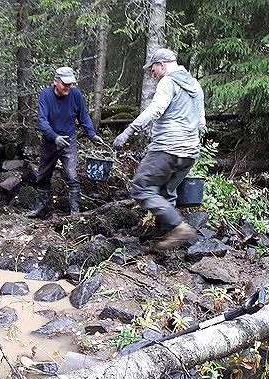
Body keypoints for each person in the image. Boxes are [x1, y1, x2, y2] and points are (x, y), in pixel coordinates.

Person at [113, 48, 206, 250]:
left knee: (141, 188)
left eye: (153, 69)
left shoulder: (168, 81)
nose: (152, 73)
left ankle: (178, 227)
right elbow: (201, 122)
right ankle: (165, 241)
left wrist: (128, 131)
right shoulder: (195, 85)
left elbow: (156, 109)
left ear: (162, 64)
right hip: (189, 153)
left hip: (167, 148)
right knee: (166, 192)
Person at [26, 66, 103, 218]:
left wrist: (92, 135)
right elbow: (42, 121)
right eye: (65, 84)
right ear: (56, 81)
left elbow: (84, 117)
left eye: (71, 84)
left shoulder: (76, 95)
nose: (69, 87)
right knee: (43, 174)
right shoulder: (46, 96)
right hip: (50, 141)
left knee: (71, 174)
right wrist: (54, 137)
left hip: (69, 140)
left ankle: (74, 210)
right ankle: (40, 207)